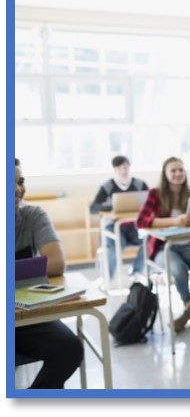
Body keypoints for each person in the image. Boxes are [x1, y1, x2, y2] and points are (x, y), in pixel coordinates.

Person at [14, 158, 84, 388]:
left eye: (20, 181)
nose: (18, 189)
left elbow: (56, 262)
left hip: (25, 316)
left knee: (70, 349)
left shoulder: (33, 216)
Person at [136, 156, 190, 333]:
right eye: (173, 170)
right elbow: (141, 221)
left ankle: (189, 310)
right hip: (164, 248)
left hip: (188, 246)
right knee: (179, 270)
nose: (178, 173)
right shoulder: (155, 194)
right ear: (165, 174)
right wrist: (174, 221)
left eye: (181, 170)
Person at [90, 155, 148, 278]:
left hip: (134, 227)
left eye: (126, 167)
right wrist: (112, 207)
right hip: (114, 227)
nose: (123, 171)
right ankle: (107, 279)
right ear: (115, 170)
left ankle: (136, 271)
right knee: (115, 246)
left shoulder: (139, 184)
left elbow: (151, 202)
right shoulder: (108, 186)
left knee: (149, 241)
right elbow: (93, 208)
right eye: (119, 168)